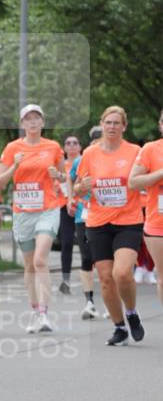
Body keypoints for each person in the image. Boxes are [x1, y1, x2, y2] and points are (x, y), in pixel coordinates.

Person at [75, 105, 144, 346]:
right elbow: (77, 187)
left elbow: (141, 180)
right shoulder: (90, 154)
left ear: (124, 126)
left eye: (117, 123)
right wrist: (81, 188)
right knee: (105, 278)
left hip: (128, 219)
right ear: (101, 125)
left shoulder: (135, 151)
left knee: (122, 273)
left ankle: (132, 314)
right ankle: (119, 327)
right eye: (108, 122)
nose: (112, 127)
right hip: (98, 221)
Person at [0, 104, 66, 333]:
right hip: (23, 212)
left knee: (40, 260)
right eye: (28, 118)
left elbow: (64, 176)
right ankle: (36, 311)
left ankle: (45, 314)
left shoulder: (53, 147)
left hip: (47, 208)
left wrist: (59, 176)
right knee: (29, 265)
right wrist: (15, 165)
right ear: (22, 124)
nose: (33, 122)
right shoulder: (12, 148)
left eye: (37, 118)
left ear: (43, 123)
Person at [129, 108, 163, 311]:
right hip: (158, 224)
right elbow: (133, 182)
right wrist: (160, 173)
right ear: (160, 125)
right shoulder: (150, 149)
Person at [67, 129, 101, 320]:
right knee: (86, 257)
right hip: (83, 214)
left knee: (105, 260)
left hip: (106, 215)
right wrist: (71, 199)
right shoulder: (82, 160)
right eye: (94, 144)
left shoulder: (111, 158)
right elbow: (71, 179)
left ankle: (112, 299)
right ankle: (89, 302)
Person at [58, 134, 83, 294]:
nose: (72, 145)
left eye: (75, 143)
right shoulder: (61, 165)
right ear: (64, 148)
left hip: (83, 207)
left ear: (80, 147)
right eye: (68, 143)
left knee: (86, 244)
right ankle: (65, 280)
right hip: (64, 207)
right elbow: (54, 184)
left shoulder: (84, 162)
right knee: (66, 243)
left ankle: (91, 273)